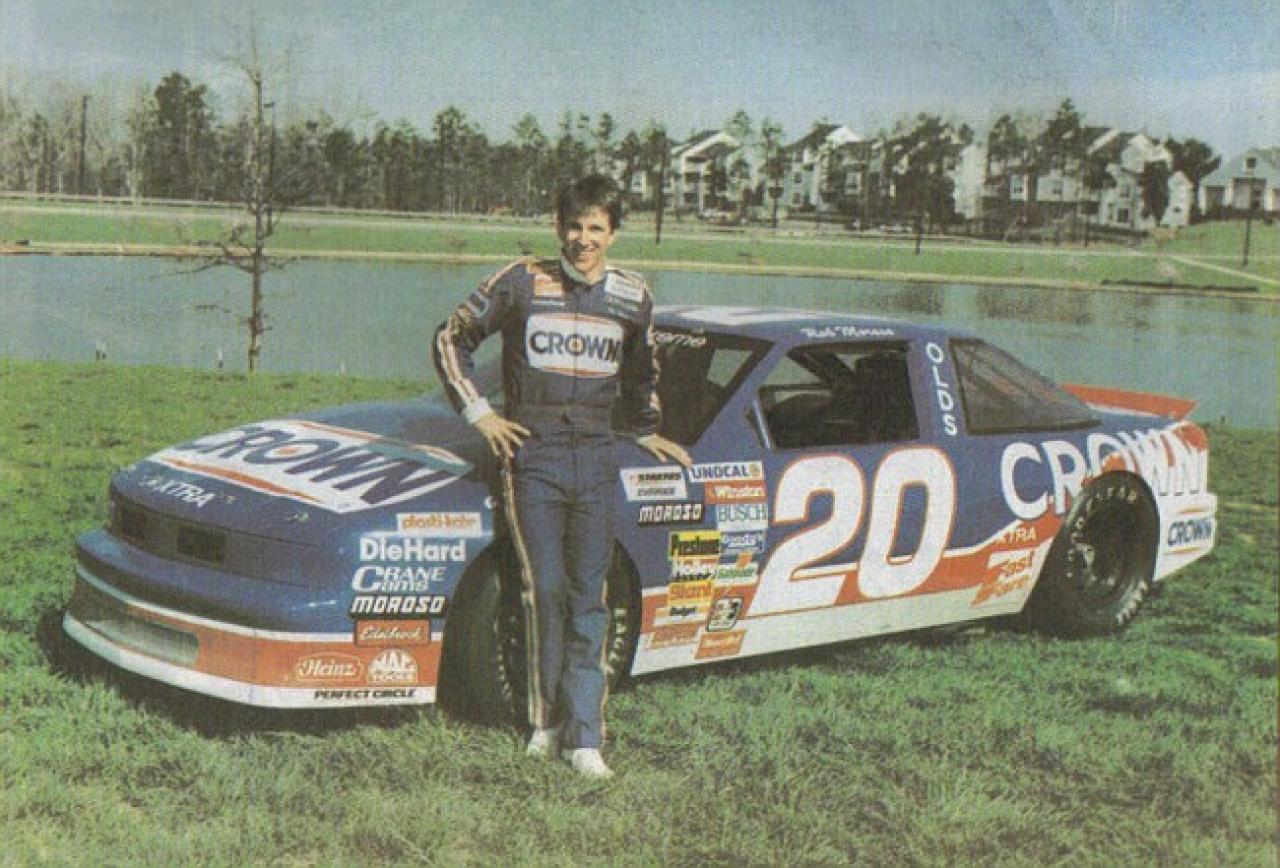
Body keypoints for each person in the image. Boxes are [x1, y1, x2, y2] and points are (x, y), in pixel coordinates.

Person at [432, 175, 690, 778]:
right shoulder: (521, 281)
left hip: (597, 458)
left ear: (613, 233)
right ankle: (544, 724)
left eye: (596, 228)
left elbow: (643, 372)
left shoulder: (632, 295)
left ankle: (585, 737)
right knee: (543, 590)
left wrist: (644, 428)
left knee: (588, 598)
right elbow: (451, 337)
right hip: (535, 458)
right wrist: (481, 414)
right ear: (558, 228)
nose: (583, 239)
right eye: (574, 226)